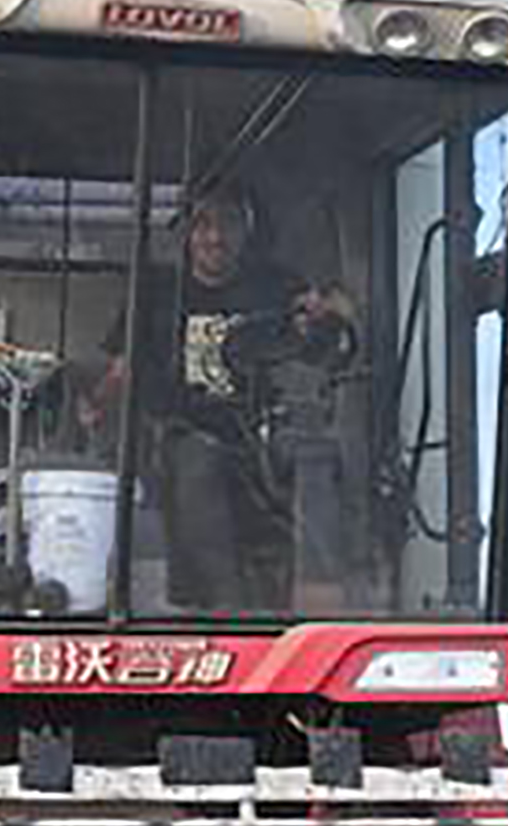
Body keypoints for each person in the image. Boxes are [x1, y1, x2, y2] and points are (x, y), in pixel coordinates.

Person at [62, 184, 361, 612]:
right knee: (198, 463)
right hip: (183, 436)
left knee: (318, 461)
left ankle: (319, 607)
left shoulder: (278, 286)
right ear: (185, 231)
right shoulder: (157, 294)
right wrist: (94, 407)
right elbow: (123, 369)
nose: (216, 237)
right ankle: (225, 614)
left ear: (248, 230)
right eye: (204, 223)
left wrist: (330, 316)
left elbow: (328, 343)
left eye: (229, 223)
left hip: (267, 435)